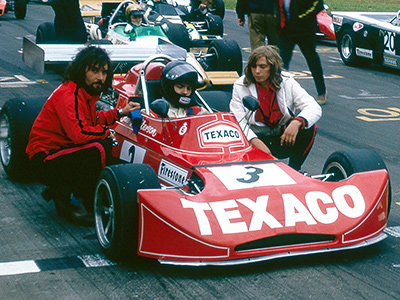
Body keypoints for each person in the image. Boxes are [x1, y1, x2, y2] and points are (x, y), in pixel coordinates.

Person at [26, 46, 140, 224]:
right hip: (44, 157)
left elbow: (91, 120)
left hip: (59, 151)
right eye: (94, 71)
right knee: (98, 148)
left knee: (101, 146)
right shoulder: (69, 94)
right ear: (82, 70)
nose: (100, 78)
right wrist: (107, 132)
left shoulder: (83, 93)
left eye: (104, 72)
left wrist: (119, 113)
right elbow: (79, 133)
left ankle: (61, 190)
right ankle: (79, 205)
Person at [230, 45, 321, 171]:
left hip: (281, 138)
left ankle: (294, 171)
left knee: (308, 126)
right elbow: (238, 121)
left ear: (272, 68)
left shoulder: (287, 82)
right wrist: (256, 142)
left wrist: (296, 122)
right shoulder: (240, 85)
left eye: (262, 67)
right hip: (254, 140)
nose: (257, 71)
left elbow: (314, 107)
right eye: (253, 66)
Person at [276, 0, 328, 105]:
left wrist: (299, 17)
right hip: (286, 29)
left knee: (312, 60)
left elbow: (317, 5)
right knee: (281, 63)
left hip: (305, 30)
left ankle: (321, 91)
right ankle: (278, 92)